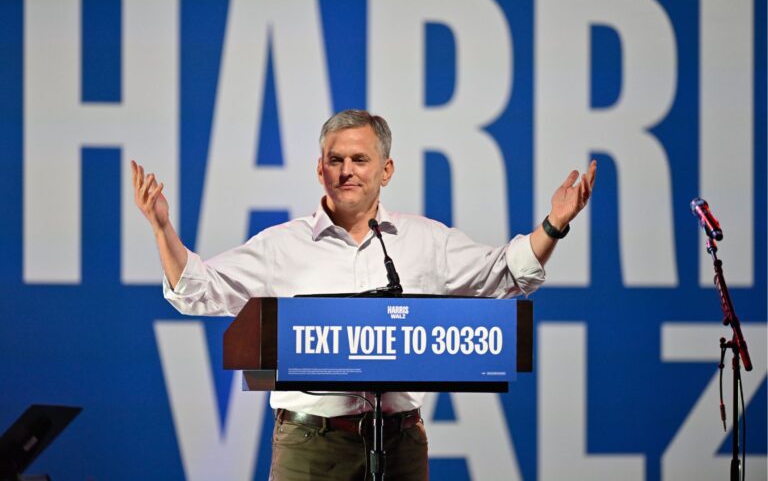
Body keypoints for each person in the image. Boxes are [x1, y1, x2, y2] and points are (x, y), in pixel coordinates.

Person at [132, 109, 596, 480]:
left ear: (386, 169)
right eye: (335, 160)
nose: (346, 171)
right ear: (320, 169)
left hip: (400, 442)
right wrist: (162, 229)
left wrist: (553, 225)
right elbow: (197, 290)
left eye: (359, 160)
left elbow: (506, 274)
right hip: (311, 447)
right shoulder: (281, 245)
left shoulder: (425, 240)